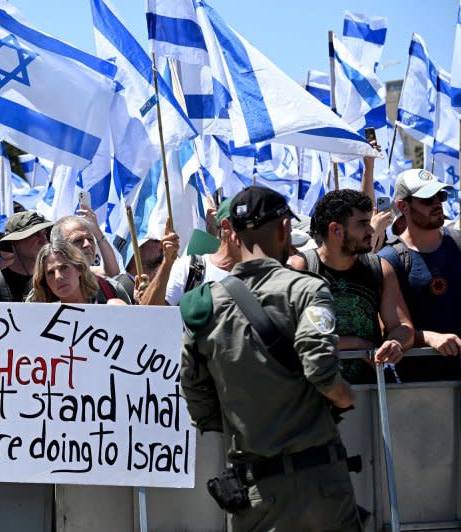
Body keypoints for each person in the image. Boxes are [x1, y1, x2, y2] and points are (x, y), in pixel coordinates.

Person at [179, 186, 366, 531]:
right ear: (283, 228)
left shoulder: (204, 305)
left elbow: (195, 396)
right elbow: (321, 370)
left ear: (233, 236)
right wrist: (346, 396)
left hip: (256, 491)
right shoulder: (305, 290)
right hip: (319, 485)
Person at [290, 189, 412, 383]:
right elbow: (289, 338)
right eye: (363, 224)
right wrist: (356, 344)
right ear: (335, 229)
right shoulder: (299, 269)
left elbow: (403, 327)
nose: (372, 230)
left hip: (370, 396)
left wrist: (395, 342)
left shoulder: (379, 268)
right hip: (314, 398)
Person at [378, 169, 461, 380]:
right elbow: (390, 329)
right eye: (427, 199)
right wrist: (429, 337)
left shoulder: (459, 244)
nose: (437, 203)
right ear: (403, 206)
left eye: (440, 196)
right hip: (415, 387)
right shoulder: (389, 258)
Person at [146, 199, 238, 306]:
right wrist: (167, 263)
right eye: (244, 225)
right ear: (226, 227)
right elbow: (150, 313)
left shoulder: (259, 274)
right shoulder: (189, 268)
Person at [0, 211, 52, 302]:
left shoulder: (55, 278)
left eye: (44, 233)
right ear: (14, 242)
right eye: (35, 234)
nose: (43, 239)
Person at [27, 241, 127, 305]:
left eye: (64, 267)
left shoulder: (112, 305)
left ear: (79, 269)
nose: (58, 277)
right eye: (50, 273)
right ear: (45, 281)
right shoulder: (42, 319)